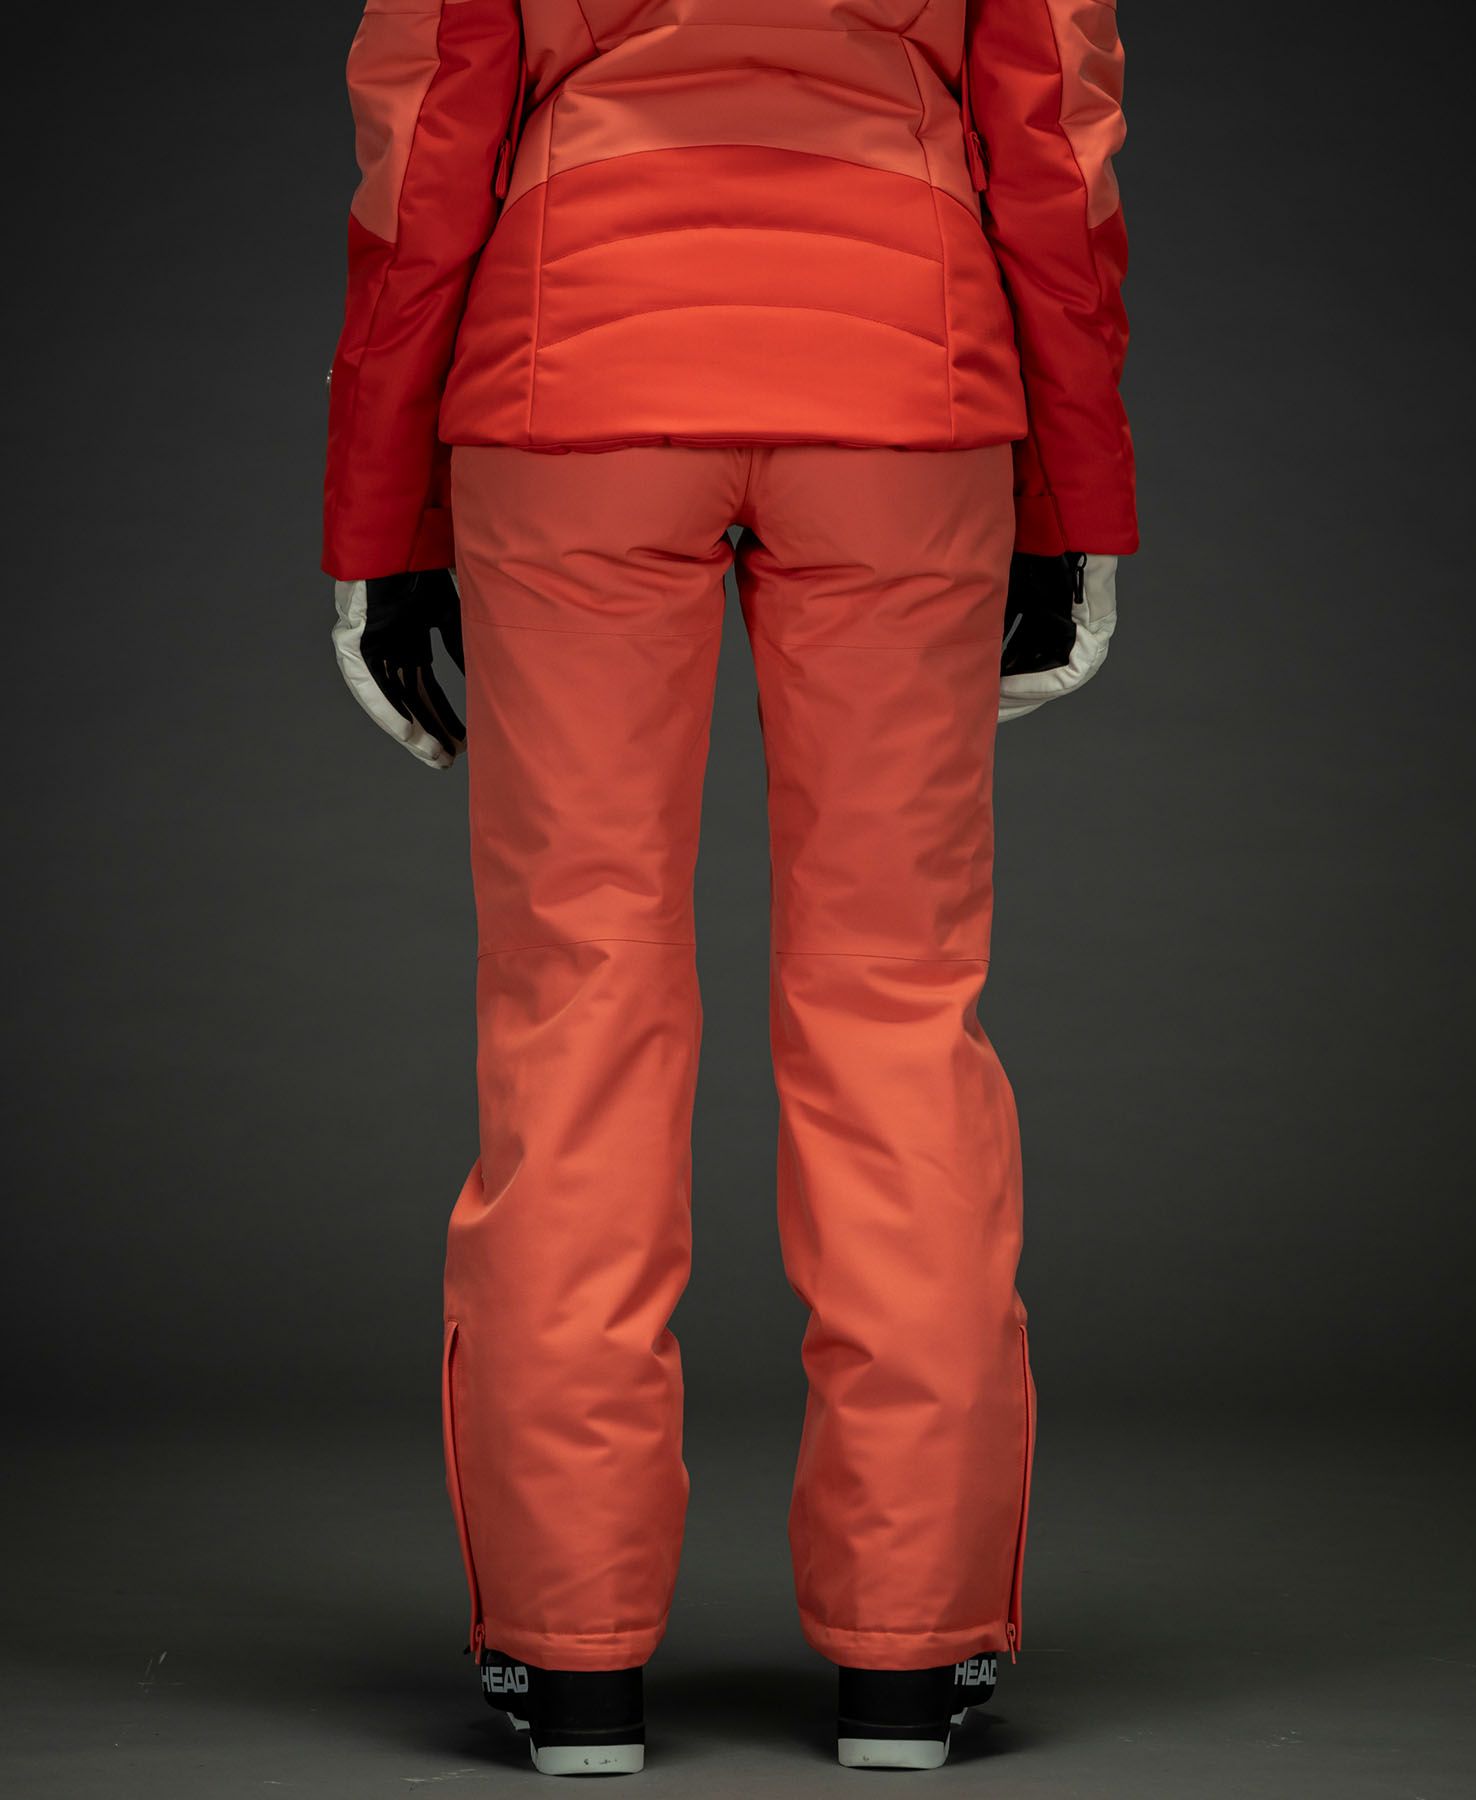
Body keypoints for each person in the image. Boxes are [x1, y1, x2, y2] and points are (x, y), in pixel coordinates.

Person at [323, 0, 1135, 1775]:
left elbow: (427, 146)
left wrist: (379, 523)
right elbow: (1051, 150)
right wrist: (1076, 502)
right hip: (904, 390)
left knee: (578, 1006)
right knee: (895, 1011)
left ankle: (569, 1659)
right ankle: (913, 1656)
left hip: (576, 382)